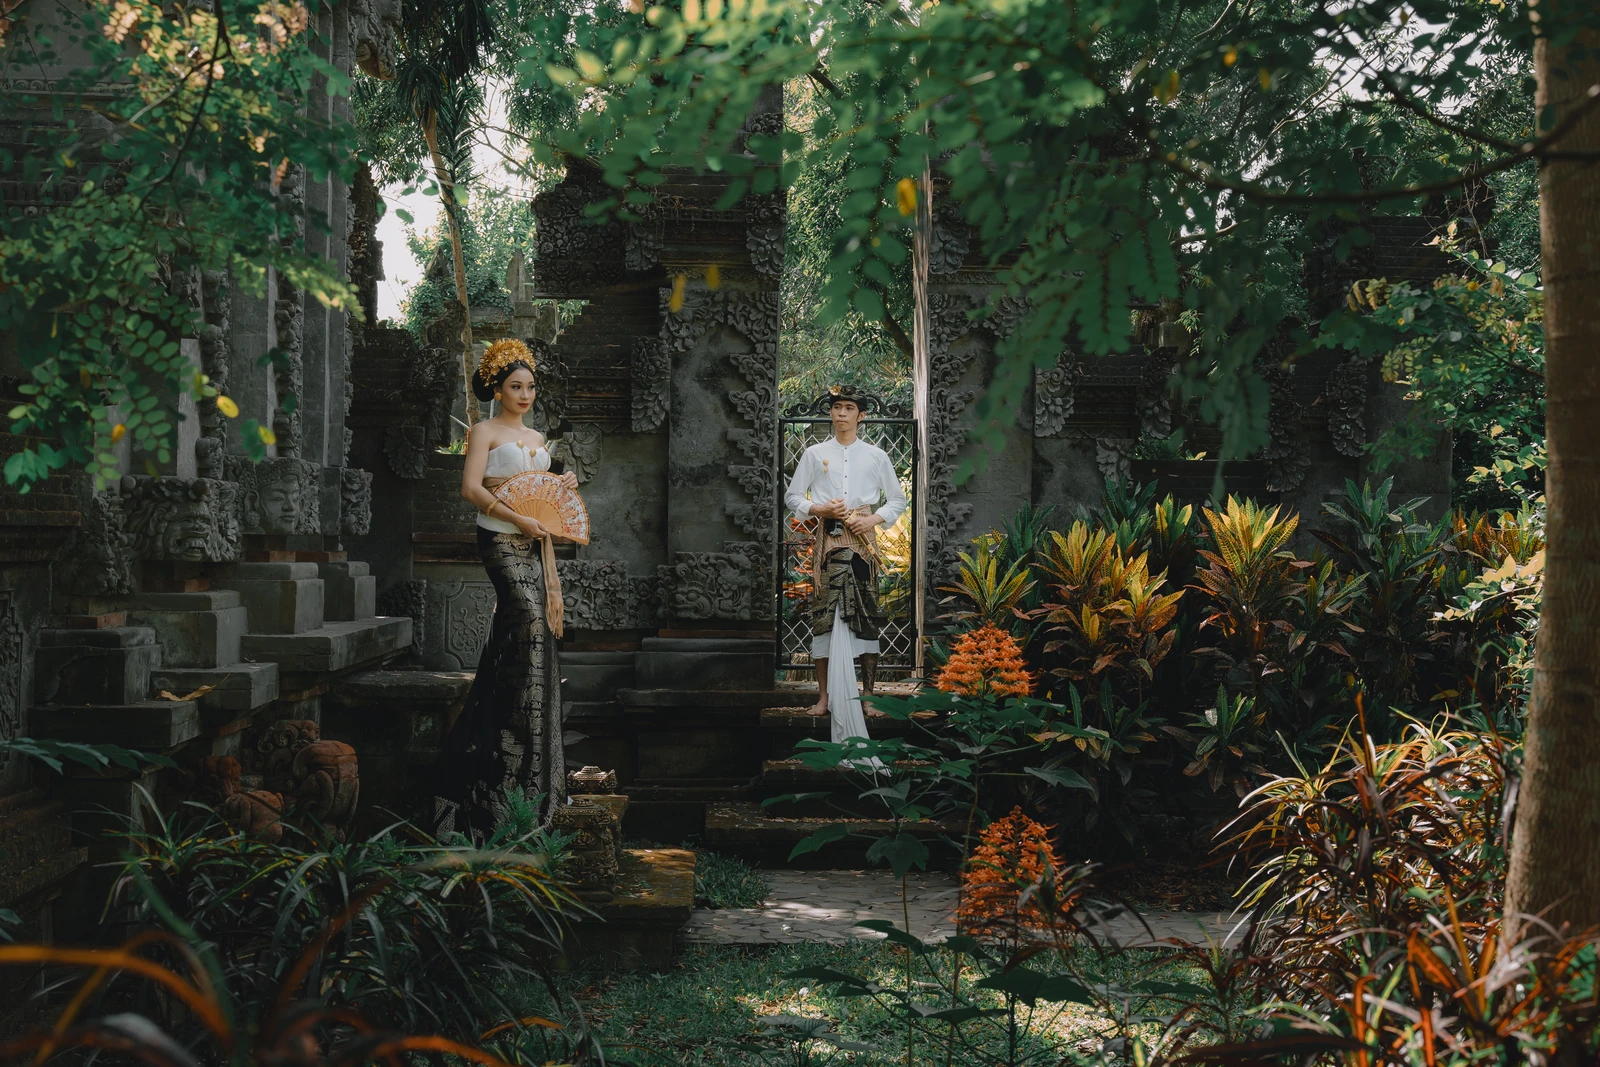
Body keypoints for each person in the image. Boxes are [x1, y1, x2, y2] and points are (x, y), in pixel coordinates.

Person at [437, 338, 579, 836]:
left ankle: (525, 763)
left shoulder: (538, 439)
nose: (525, 394)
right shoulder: (483, 431)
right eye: (515, 386)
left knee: (529, 642)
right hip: (499, 540)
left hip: (534, 545)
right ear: (497, 389)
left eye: (531, 387)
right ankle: (504, 756)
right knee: (532, 625)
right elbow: (470, 488)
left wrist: (562, 487)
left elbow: (544, 493)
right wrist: (518, 517)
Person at [783, 385, 908, 754]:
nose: (841, 414)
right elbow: (792, 496)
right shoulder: (814, 454)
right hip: (828, 543)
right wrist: (820, 509)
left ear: (861, 415)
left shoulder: (876, 456)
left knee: (866, 616)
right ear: (831, 413)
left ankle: (867, 697)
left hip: (862, 544)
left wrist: (872, 519)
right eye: (837, 407)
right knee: (825, 617)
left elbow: (897, 500)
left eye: (849, 408)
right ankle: (824, 697)